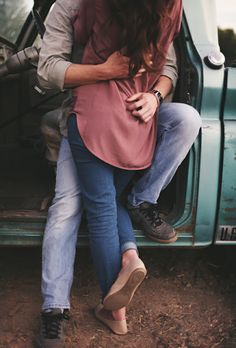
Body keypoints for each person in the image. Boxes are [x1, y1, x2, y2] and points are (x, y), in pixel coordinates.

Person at [36, 0, 201, 346]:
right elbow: (48, 71)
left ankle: (143, 201)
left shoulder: (141, 9)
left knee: (187, 119)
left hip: (134, 115)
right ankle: (56, 308)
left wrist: (156, 96)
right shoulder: (69, 6)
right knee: (70, 204)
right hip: (89, 114)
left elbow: (168, 66)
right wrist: (107, 70)